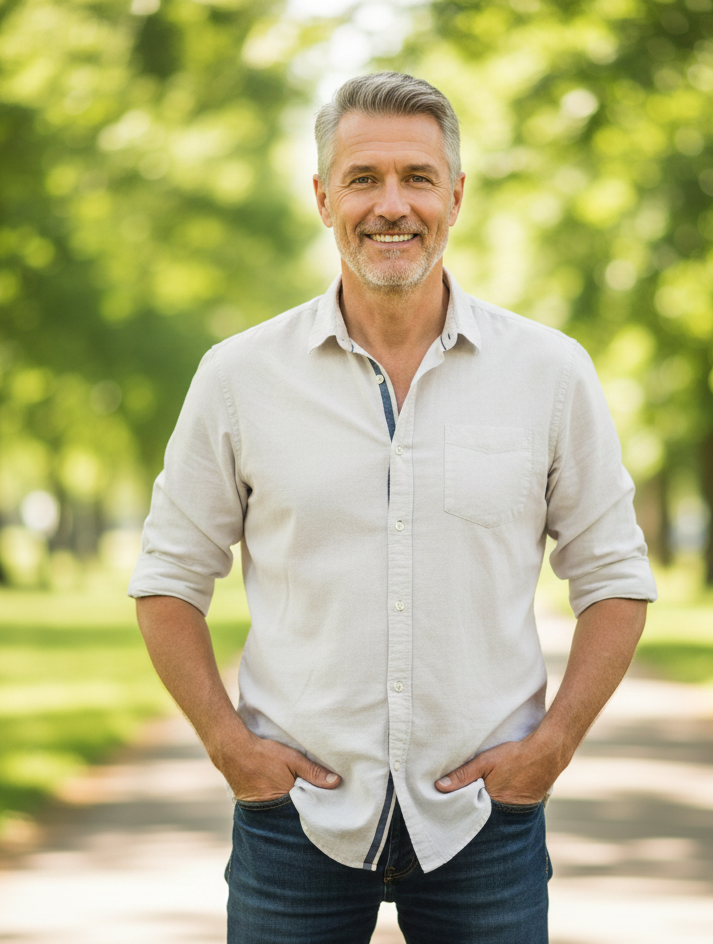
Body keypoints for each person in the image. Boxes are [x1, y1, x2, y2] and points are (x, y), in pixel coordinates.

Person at [129, 72, 657, 943]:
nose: (392, 206)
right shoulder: (237, 378)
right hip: (293, 822)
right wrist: (230, 746)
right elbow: (167, 579)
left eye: (417, 178)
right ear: (322, 196)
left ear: (456, 195)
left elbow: (615, 578)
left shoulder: (550, 372)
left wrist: (552, 747)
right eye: (364, 178)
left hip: (486, 825)